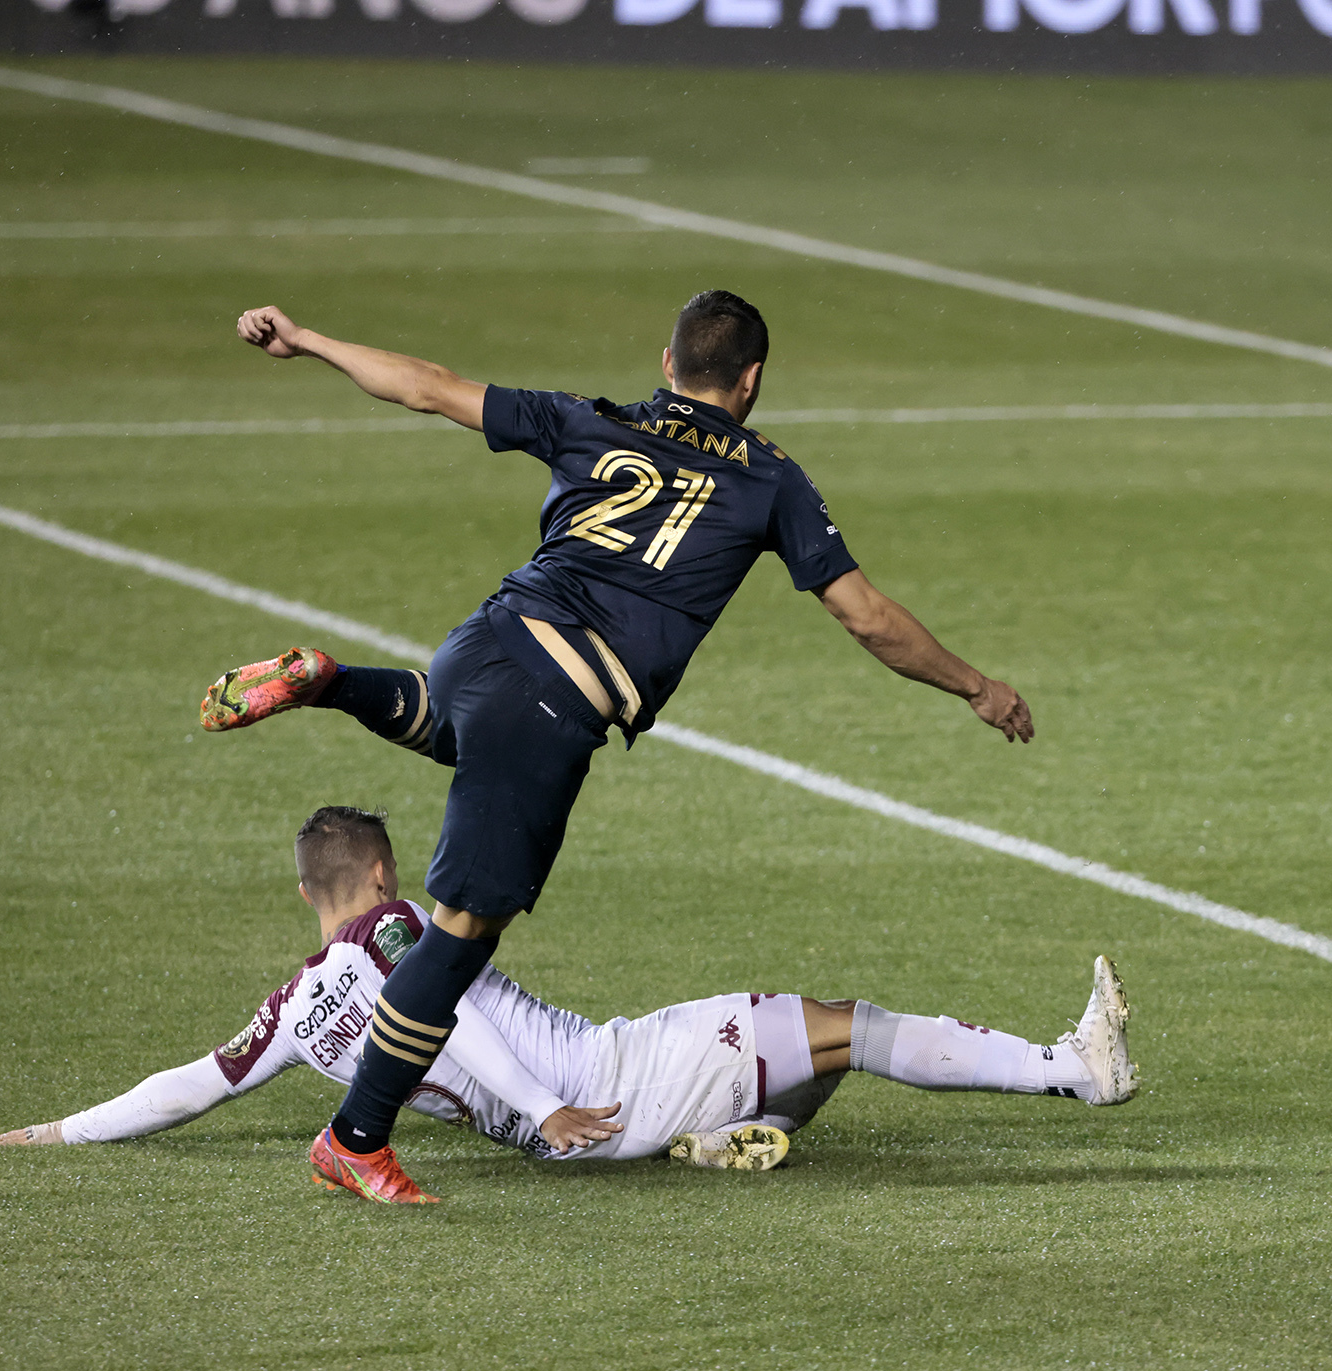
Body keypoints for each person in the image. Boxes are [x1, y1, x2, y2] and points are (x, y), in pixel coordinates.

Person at [201, 291, 1036, 1203]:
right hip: (559, 696)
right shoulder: (770, 479)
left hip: (486, 642)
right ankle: (354, 1138)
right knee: (459, 935)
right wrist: (979, 687)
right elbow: (869, 619)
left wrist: (309, 339)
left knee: (454, 728)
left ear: (666, 362)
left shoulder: (593, 420)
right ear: (752, 381)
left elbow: (430, 387)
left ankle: (333, 680)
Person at [0, 808, 1136, 1182]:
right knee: (843, 1022)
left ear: (307, 891)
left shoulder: (294, 1009)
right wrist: (542, 1102)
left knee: (806, 1043)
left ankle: (739, 1130)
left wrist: (58, 1127)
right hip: (597, 1083)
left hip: (572, 1114)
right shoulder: (397, 932)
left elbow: (188, 1086)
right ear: (380, 877)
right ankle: (1070, 1067)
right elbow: (461, 1014)